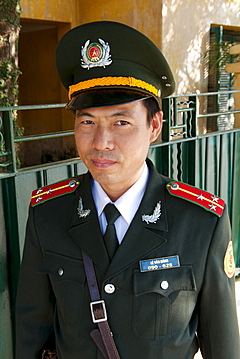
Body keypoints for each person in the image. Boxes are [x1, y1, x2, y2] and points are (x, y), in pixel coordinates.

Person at [15, 21, 240, 359]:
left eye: (121, 122)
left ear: (154, 126)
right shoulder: (48, 214)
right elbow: (32, 333)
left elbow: (223, 347)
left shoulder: (201, 222)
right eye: (87, 122)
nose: (101, 142)